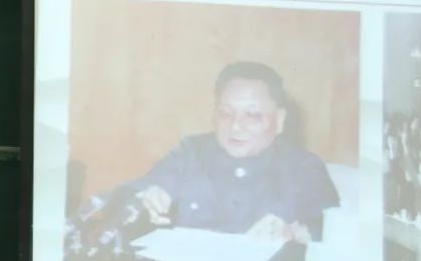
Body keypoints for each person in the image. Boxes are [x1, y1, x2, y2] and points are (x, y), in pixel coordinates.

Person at [131, 61, 340, 243]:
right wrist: (145, 198)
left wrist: (293, 233)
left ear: (279, 120)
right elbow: (131, 194)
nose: (235, 126)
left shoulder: (303, 167)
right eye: (226, 113)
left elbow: (331, 230)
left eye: (252, 115)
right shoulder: (191, 153)